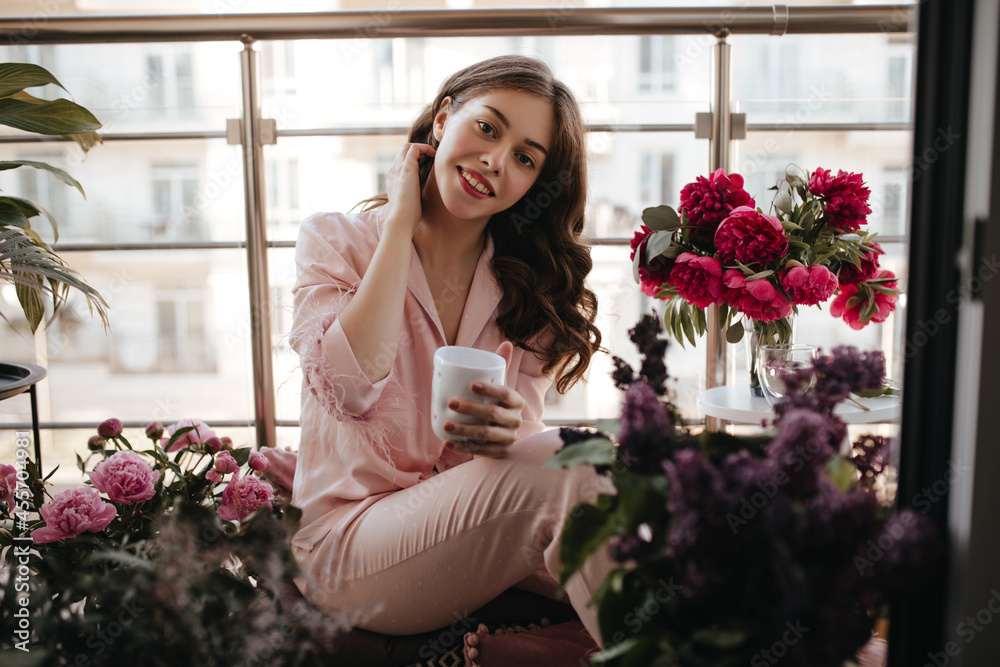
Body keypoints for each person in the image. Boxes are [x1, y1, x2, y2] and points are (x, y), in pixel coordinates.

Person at [287, 54, 611, 644]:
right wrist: (398, 227)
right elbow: (349, 386)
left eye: (524, 158)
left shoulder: (525, 288)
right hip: (348, 549)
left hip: (458, 540)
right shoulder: (335, 240)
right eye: (488, 128)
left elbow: (514, 464)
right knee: (580, 469)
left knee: (614, 477)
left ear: (535, 185)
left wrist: (513, 430)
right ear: (443, 119)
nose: (494, 161)